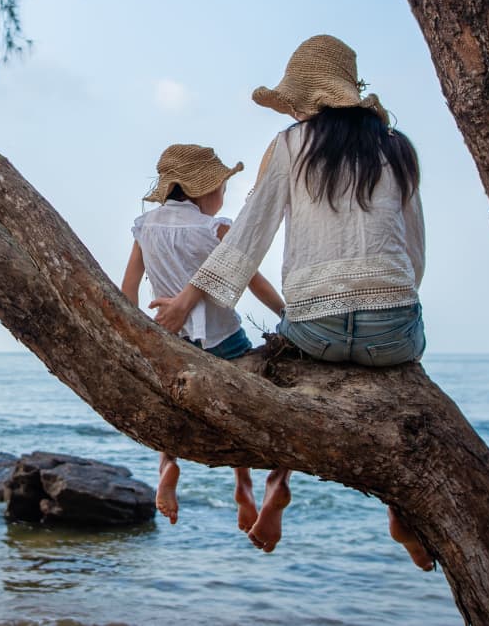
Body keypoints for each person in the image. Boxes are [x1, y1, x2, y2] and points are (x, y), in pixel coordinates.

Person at [148, 34, 434, 568]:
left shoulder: (288, 144)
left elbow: (247, 238)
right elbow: (413, 255)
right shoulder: (399, 149)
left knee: (287, 377)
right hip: (391, 333)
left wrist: (185, 305)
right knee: (403, 379)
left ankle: (279, 484)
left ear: (306, 100)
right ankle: (400, 507)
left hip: (315, 332)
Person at [120, 143, 285, 529]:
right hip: (223, 339)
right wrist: (285, 314)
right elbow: (252, 280)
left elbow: (128, 285)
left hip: (169, 338)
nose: (222, 195)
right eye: (221, 187)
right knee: (244, 403)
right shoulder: (214, 228)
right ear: (204, 190)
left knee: (172, 402)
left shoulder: (146, 227)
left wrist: (134, 332)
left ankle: (167, 466)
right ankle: (244, 483)